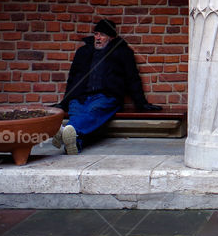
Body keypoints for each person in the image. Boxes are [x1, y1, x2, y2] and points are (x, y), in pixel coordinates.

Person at [54, 19, 161, 154]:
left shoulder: (123, 52)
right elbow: (73, 78)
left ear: (111, 37)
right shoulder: (83, 52)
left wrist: (141, 103)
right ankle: (74, 142)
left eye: (102, 35)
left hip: (106, 96)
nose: (98, 38)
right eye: (96, 34)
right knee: (77, 112)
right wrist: (64, 103)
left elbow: (132, 78)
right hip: (80, 96)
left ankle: (66, 130)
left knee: (92, 113)